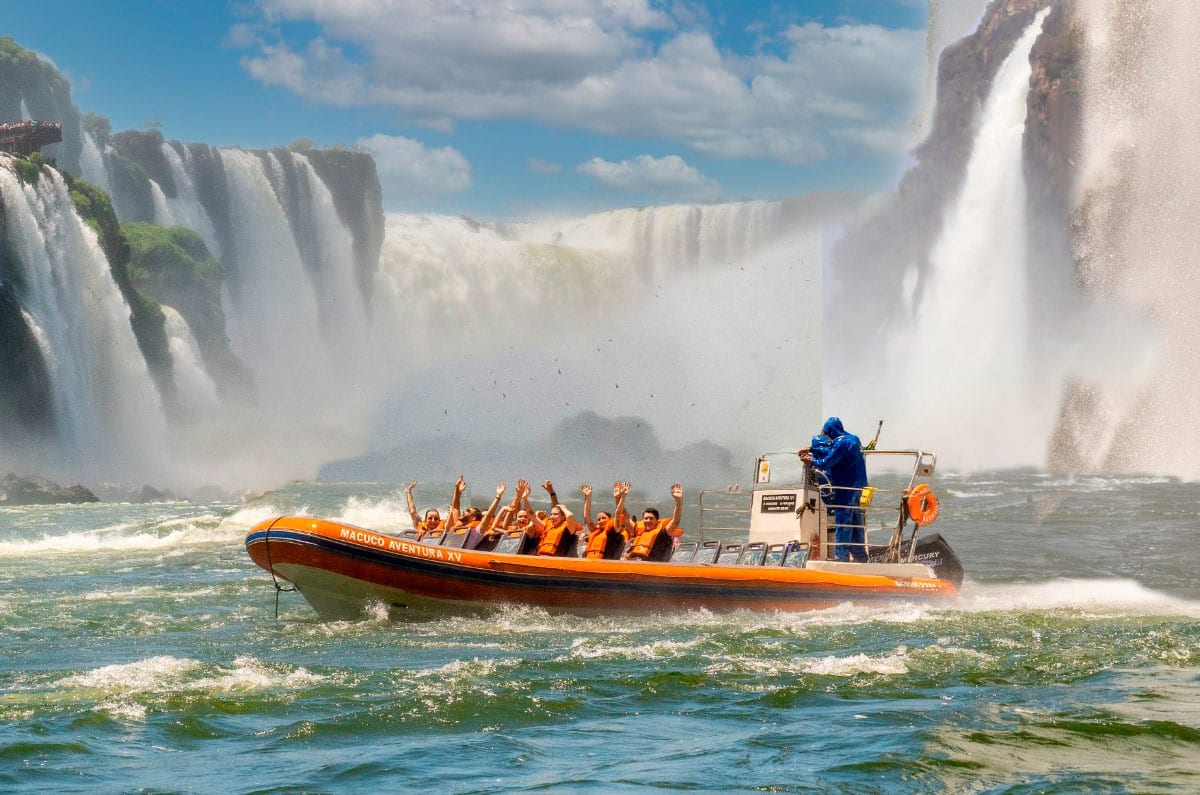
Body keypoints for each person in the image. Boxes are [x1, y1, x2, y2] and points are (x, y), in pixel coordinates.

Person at [799, 417, 868, 562]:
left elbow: (827, 462)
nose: (828, 436)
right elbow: (832, 449)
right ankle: (860, 555)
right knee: (856, 521)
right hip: (858, 485)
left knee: (843, 521)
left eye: (827, 433)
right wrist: (812, 449)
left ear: (831, 431)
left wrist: (811, 460)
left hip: (845, 486)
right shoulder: (853, 439)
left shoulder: (841, 442)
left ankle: (841, 557)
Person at [622, 483, 683, 561]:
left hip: (655, 566)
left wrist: (678, 501)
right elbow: (625, 516)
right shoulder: (638, 530)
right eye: (646, 518)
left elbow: (676, 521)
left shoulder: (663, 533)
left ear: (656, 521)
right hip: (636, 564)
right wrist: (620, 498)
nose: (648, 521)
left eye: (651, 518)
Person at [581, 481, 630, 560]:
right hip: (590, 562)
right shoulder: (596, 531)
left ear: (610, 519)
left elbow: (618, 514)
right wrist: (587, 497)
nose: (600, 521)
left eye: (603, 518)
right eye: (599, 519)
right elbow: (587, 517)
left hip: (605, 563)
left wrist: (621, 497)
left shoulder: (614, 531)